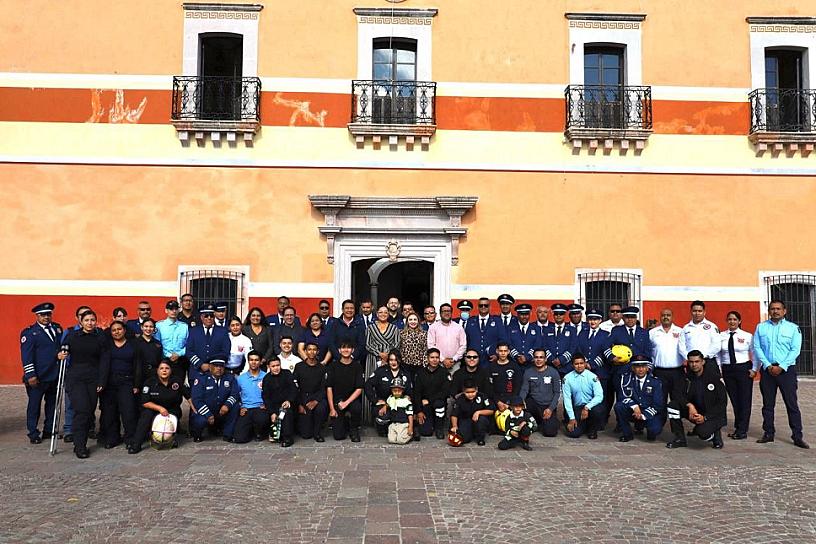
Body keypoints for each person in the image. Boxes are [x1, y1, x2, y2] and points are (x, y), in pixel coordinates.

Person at [753, 300, 808, 448]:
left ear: (785, 311)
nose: (775, 311)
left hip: (786, 371)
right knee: (767, 405)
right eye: (772, 309)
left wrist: (782, 366)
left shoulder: (793, 328)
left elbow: (795, 350)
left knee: (792, 405)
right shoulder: (761, 327)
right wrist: (767, 365)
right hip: (768, 371)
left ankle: (797, 436)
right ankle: (768, 433)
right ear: (769, 311)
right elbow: (757, 348)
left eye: (778, 309)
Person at [58, 310, 110, 458]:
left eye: (92, 320)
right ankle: (80, 445)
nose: (90, 323)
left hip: (93, 379)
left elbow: (105, 360)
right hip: (76, 378)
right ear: (80, 321)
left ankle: (80, 439)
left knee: (89, 411)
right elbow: (61, 350)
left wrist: (102, 380)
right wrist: (60, 354)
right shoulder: (72, 336)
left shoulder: (100, 337)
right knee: (82, 410)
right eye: (86, 320)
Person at [666, 350, 727, 449]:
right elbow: (677, 394)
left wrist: (705, 417)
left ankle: (715, 434)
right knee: (673, 406)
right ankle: (680, 438)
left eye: (697, 361)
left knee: (702, 433)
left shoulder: (714, 378)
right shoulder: (685, 378)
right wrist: (689, 405)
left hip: (711, 415)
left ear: (703, 362)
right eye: (691, 362)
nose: (694, 365)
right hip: (694, 411)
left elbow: (722, 403)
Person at [20, 302, 62, 444]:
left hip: (53, 375)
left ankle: (48, 430)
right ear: (37, 316)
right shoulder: (30, 333)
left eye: (48, 314)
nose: (46, 317)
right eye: (43, 315)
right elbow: (26, 355)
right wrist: (30, 375)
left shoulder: (57, 329)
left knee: (51, 405)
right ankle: (33, 432)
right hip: (38, 376)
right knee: (34, 405)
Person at [130, 360, 190, 454]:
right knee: (146, 416)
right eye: (161, 368)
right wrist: (160, 409)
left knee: (168, 423)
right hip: (154, 409)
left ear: (171, 370)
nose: (164, 371)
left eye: (167, 368)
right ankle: (136, 444)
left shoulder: (177, 381)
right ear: (157, 370)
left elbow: (188, 397)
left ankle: (170, 439)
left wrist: (196, 410)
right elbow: (145, 402)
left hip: (172, 410)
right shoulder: (149, 382)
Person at [609, 306, 651, 427]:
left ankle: (639, 422)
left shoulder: (643, 332)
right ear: (623, 317)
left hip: (639, 371)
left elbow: (648, 351)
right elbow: (606, 346)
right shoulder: (616, 331)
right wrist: (612, 358)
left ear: (636, 318)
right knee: (621, 397)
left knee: (639, 396)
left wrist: (648, 368)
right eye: (627, 317)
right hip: (621, 370)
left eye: (632, 317)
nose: (630, 320)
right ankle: (620, 423)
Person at [100, 321, 138, 450]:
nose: (117, 332)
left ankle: (130, 438)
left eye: (119, 329)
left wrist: (136, 384)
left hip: (127, 382)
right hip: (110, 383)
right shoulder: (107, 346)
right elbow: (102, 365)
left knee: (128, 411)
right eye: (114, 330)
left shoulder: (133, 345)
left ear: (124, 330)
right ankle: (112, 438)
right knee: (110, 412)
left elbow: (137, 366)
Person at [719, 310, 756, 440]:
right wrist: (720, 369)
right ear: (727, 321)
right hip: (728, 369)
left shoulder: (747, 336)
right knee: (734, 400)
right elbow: (719, 354)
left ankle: (742, 430)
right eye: (729, 319)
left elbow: (754, 353)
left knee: (744, 400)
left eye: (735, 319)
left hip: (743, 369)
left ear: (739, 321)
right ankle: (738, 426)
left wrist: (755, 369)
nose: (732, 322)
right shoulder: (721, 336)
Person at [59, 304, 93, 443]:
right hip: (74, 372)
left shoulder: (96, 333)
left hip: (91, 374)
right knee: (72, 403)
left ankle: (89, 427)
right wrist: (63, 359)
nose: (88, 321)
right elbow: (63, 349)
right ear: (78, 318)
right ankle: (69, 429)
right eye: (83, 316)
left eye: (90, 317)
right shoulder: (70, 332)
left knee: (88, 403)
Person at [190, 357, 240, 442]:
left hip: (222, 411)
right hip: (206, 411)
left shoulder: (230, 378)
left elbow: (234, 394)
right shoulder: (201, 379)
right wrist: (208, 414)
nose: (219, 368)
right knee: (199, 420)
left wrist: (227, 405)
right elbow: (196, 399)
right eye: (215, 366)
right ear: (210, 367)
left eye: (221, 366)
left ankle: (227, 434)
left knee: (235, 407)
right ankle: (197, 434)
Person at [649, 308, 685, 427]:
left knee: (677, 401)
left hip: (677, 372)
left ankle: (677, 429)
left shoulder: (680, 331)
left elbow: (685, 350)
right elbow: (649, 352)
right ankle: (658, 426)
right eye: (663, 315)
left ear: (672, 317)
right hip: (659, 372)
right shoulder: (653, 332)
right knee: (660, 400)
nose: (666, 317)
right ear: (660, 317)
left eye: (668, 315)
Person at [614, 357, 664, 442]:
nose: (641, 369)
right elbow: (622, 397)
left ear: (647, 368)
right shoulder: (626, 379)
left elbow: (658, 404)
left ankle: (646, 428)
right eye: (637, 367)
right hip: (633, 411)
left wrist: (643, 415)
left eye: (643, 367)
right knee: (619, 406)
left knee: (654, 431)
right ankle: (627, 434)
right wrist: (634, 406)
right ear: (633, 368)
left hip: (649, 412)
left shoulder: (655, 382)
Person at [575, 308, 612, 421]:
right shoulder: (582, 333)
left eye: (595, 319)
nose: (593, 322)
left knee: (600, 398)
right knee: (586, 395)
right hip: (585, 371)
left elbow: (605, 352)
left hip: (600, 372)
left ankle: (600, 422)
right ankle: (587, 420)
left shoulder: (606, 334)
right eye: (590, 319)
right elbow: (579, 349)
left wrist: (593, 365)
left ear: (600, 320)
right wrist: (585, 363)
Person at [365, 349, 413, 436]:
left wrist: (408, 396)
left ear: (400, 360)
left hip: (399, 404)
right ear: (388, 361)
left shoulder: (405, 373)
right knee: (384, 417)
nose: (393, 362)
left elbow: (410, 390)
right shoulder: (381, 371)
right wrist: (375, 400)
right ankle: (383, 428)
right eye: (391, 360)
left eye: (396, 360)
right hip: (383, 403)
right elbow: (368, 385)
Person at [326, 341, 365, 442]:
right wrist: (332, 409)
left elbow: (359, 388)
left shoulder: (357, 366)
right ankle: (344, 422)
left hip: (352, 399)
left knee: (356, 408)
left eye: (348, 348)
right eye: (343, 348)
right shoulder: (333, 366)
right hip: (337, 400)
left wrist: (346, 403)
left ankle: (354, 429)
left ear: (352, 350)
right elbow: (329, 388)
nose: (346, 350)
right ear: (339, 350)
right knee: (339, 436)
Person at [518, 348, 561, 437]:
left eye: (541, 357)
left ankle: (544, 422)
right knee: (526, 404)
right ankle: (535, 421)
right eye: (536, 357)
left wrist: (550, 409)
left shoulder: (553, 372)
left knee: (550, 432)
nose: (538, 360)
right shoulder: (528, 372)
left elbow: (557, 393)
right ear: (533, 359)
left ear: (545, 359)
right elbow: (524, 390)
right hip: (534, 403)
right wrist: (520, 403)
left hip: (547, 406)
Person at [562, 353, 605, 439]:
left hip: (591, 407)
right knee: (574, 434)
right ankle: (582, 426)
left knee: (598, 410)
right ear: (572, 365)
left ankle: (592, 429)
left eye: (581, 363)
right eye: (576, 364)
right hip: (577, 407)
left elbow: (599, 396)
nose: (579, 366)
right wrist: (572, 418)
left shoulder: (592, 377)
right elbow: (567, 399)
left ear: (585, 364)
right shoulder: (567, 378)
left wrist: (587, 407)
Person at [293, 342, 329, 442]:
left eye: (314, 349)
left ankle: (317, 433)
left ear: (317, 352)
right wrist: (300, 404)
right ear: (305, 351)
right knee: (306, 435)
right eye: (309, 349)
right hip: (303, 397)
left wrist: (316, 401)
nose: (311, 352)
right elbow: (295, 387)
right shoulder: (299, 366)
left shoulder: (322, 368)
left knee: (321, 408)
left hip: (317, 397)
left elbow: (324, 388)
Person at [413, 348, 450, 439]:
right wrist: (419, 411)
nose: (434, 360)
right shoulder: (420, 373)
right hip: (425, 406)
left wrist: (429, 400)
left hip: (437, 403)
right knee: (426, 432)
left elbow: (445, 392)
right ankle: (421, 425)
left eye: (437, 357)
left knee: (439, 403)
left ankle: (439, 428)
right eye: (432, 357)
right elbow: (416, 393)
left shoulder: (444, 372)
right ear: (427, 358)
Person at [186, 304, 230, 379]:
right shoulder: (193, 331)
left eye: (211, 316)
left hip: (216, 372)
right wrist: (200, 364)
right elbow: (189, 351)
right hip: (197, 372)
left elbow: (225, 351)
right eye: (206, 316)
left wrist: (212, 365)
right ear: (201, 317)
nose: (209, 318)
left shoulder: (223, 331)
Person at [233, 351, 269, 443]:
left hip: (261, 408)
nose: (253, 362)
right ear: (248, 361)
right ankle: (250, 430)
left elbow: (272, 394)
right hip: (246, 409)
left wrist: (267, 405)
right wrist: (240, 407)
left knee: (261, 420)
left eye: (256, 360)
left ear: (260, 362)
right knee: (239, 438)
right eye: (251, 360)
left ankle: (259, 432)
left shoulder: (266, 377)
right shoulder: (241, 378)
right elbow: (236, 395)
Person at [261, 358, 297, 447]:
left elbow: (293, 389)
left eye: (278, 365)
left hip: (287, 404)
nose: (276, 368)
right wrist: (272, 412)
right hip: (273, 406)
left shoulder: (287, 374)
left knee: (286, 413)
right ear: (268, 367)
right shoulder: (266, 378)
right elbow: (266, 397)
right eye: (273, 366)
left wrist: (289, 400)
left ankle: (288, 438)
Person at [679, 300, 721, 373]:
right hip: (692, 363)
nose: (697, 313)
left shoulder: (712, 326)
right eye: (694, 311)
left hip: (708, 362)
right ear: (691, 312)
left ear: (704, 312)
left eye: (699, 311)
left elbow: (716, 345)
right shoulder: (686, 328)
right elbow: (681, 347)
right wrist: (690, 359)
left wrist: (702, 358)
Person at [449, 379, 493, 446]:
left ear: (476, 389)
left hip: (479, 420)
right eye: (468, 392)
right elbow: (454, 414)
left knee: (481, 420)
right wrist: (455, 426)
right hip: (465, 420)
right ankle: (470, 434)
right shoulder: (460, 399)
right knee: (463, 439)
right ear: (463, 391)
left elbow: (491, 411)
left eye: (473, 392)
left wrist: (478, 412)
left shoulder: (482, 396)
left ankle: (480, 438)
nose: (470, 394)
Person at [154, 300, 189, 384]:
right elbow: (156, 344)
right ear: (166, 310)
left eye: (176, 309)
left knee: (179, 386)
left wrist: (179, 354)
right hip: (164, 361)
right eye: (171, 309)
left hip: (180, 361)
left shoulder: (184, 326)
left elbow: (189, 344)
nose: (174, 311)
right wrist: (169, 355)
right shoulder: (159, 325)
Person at [464, 297, 506, 367]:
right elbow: (467, 341)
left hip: (491, 360)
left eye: (486, 305)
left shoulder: (497, 321)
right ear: (477, 307)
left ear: (490, 307)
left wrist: (497, 354)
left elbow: (502, 340)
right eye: (481, 305)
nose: (483, 307)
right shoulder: (470, 321)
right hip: (473, 361)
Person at [427, 303, 466, 375]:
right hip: (438, 364)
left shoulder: (459, 327)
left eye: (448, 311)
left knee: (454, 385)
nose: (446, 313)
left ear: (451, 313)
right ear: (440, 313)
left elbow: (463, 345)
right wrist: (442, 359)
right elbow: (431, 345)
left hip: (455, 364)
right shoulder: (433, 327)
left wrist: (454, 359)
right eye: (444, 311)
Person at [365, 306, 401, 378]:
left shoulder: (394, 328)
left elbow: (397, 344)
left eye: (385, 312)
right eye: (380, 312)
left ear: (388, 315)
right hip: (373, 358)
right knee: (372, 380)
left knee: (387, 381)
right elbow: (367, 344)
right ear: (377, 314)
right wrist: (380, 354)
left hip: (389, 359)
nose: (383, 314)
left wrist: (387, 355)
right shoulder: (370, 328)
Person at [543, 303, 578, 378]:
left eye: (561, 314)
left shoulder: (572, 330)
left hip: (567, 368)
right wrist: (552, 359)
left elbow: (573, 347)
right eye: (556, 314)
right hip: (551, 366)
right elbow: (544, 346)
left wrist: (561, 359)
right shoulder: (547, 329)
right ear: (553, 315)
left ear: (564, 315)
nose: (558, 316)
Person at [488, 342, 522, 416]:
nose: (503, 353)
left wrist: (509, 403)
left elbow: (517, 386)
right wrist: (497, 401)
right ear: (497, 351)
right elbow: (489, 387)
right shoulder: (491, 367)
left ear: (509, 352)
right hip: (495, 399)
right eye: (501, 351)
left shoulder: (515, 366)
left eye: (505, 351)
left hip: (511, 399)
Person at [330, 299, 367, 364]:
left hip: (355, 362)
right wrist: (339, 357)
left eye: (351, 308)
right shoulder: (335, 323)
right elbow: (331, 343)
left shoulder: (359, 324)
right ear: (342, 310)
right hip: (337, 361)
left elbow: (362, 343)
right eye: (347, 308)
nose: (349, 310)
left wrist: (352, 357)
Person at [133, 319, 164, 390]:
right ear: (141, 327)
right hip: (139, 375)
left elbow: (160, 361)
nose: (148, 329)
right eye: (146, 326)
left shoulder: (158, 343)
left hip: (154, 375)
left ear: (154, 329)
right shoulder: (135, 343)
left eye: (151, 327)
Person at [383, 377, 414, 444]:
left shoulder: (406, 402)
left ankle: (410, 434)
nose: (397, 393)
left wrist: (410, 427)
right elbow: (388, 404)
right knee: (391, 440)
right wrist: (385, 406)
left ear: (402, 390)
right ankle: (398, 434)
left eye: (399, 391)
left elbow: (410, 415)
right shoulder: (390, 398)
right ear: (392, 390)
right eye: (394, 391)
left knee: (401, 440)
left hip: (403, 424)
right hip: (394, 423)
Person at [399, 311, 428, 377]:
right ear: (407, 322)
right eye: (410, 319)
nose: (413, 321)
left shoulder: (424, 334)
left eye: (415, 319)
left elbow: (425, 349)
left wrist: (425, 364)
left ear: (418, 321)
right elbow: (399, 348)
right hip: (405, 364)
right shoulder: (401, 333)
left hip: (419, 365)